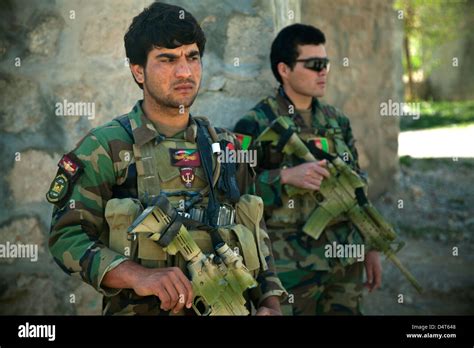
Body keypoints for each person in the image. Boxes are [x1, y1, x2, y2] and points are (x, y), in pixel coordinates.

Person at [46, 2, 286, 316]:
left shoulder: (226, 147)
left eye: (193, 57)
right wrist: (138, 275)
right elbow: (66, 237)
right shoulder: (106, 147)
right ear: (138, 71)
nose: (185, 71)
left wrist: (270, 303)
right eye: (167, 59)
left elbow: (255, 230)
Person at [234, 24, 382, 315]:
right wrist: (285, 178)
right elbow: (234, 192)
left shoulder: (337, 121)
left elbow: (358, 187)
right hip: (289, 268)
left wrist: (371, 245)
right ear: (284, 70)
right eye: (314, 65)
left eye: (325, 64)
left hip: (343, 262)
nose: (323, 71)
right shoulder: (255, 123)